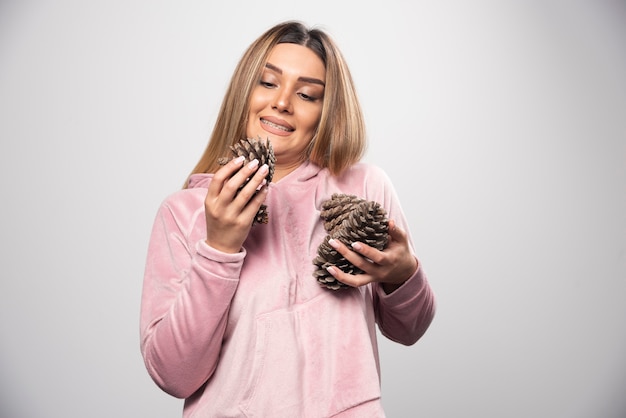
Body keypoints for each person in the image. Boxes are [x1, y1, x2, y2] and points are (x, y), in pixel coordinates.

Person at [140, 20, 436, 418]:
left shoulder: (366, 187)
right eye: (267, 83)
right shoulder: (184, 212)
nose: (282, 102)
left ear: (325, 110)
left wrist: (403, 273)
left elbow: (410, 329)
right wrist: (220, 248)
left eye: (307, 93)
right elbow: (174, 375)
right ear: (244, 92)